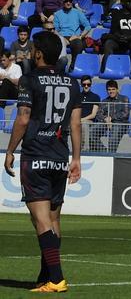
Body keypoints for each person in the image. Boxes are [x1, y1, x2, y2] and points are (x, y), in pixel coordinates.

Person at [3, 30, 81, 293]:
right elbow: (75, 123)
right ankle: (45, 276)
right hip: (60, 157)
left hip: (36, 154)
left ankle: (57, 279)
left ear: (38, 53)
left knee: (40, 220)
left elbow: (23, 118)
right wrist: (77, 158)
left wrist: (10, 150)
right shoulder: (72, 83)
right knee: (54, 219)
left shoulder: (29, 79)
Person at [54, 0, 92, 71]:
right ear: (63, 2)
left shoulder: (78, 12)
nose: (68, 3)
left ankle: (73, 66)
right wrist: (62, 38)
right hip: (62, 36)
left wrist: (80, 36)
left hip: (74, 36)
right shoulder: (57, 14)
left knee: (78, 43)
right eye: (66, 1)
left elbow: (88, 26)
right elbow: (55, 30)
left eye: (70, 1)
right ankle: (57, 68)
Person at [89, 80, 129, 153]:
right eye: (109, 90)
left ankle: (111, 154)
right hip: (106, 123)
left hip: (119, 123)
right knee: (92, 131)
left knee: (113, 137)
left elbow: (125, 114)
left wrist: (111, 118)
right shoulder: (104, 101)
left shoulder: (124, 99)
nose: (111, 91)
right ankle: (105, 152)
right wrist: (106, 119)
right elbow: (98, 114)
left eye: (113, 89)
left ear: (117, 89)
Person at [79, 75, 100, 151]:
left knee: (84, 124)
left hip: (88, 121)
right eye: (84, 84)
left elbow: (93, 114)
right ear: (81, 85)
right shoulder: (77, 96)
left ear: (91, 85)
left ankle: (85, 149)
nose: (86, 86)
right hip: (77, 120)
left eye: (88, 84)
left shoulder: (95, 97)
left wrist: (82, 119)